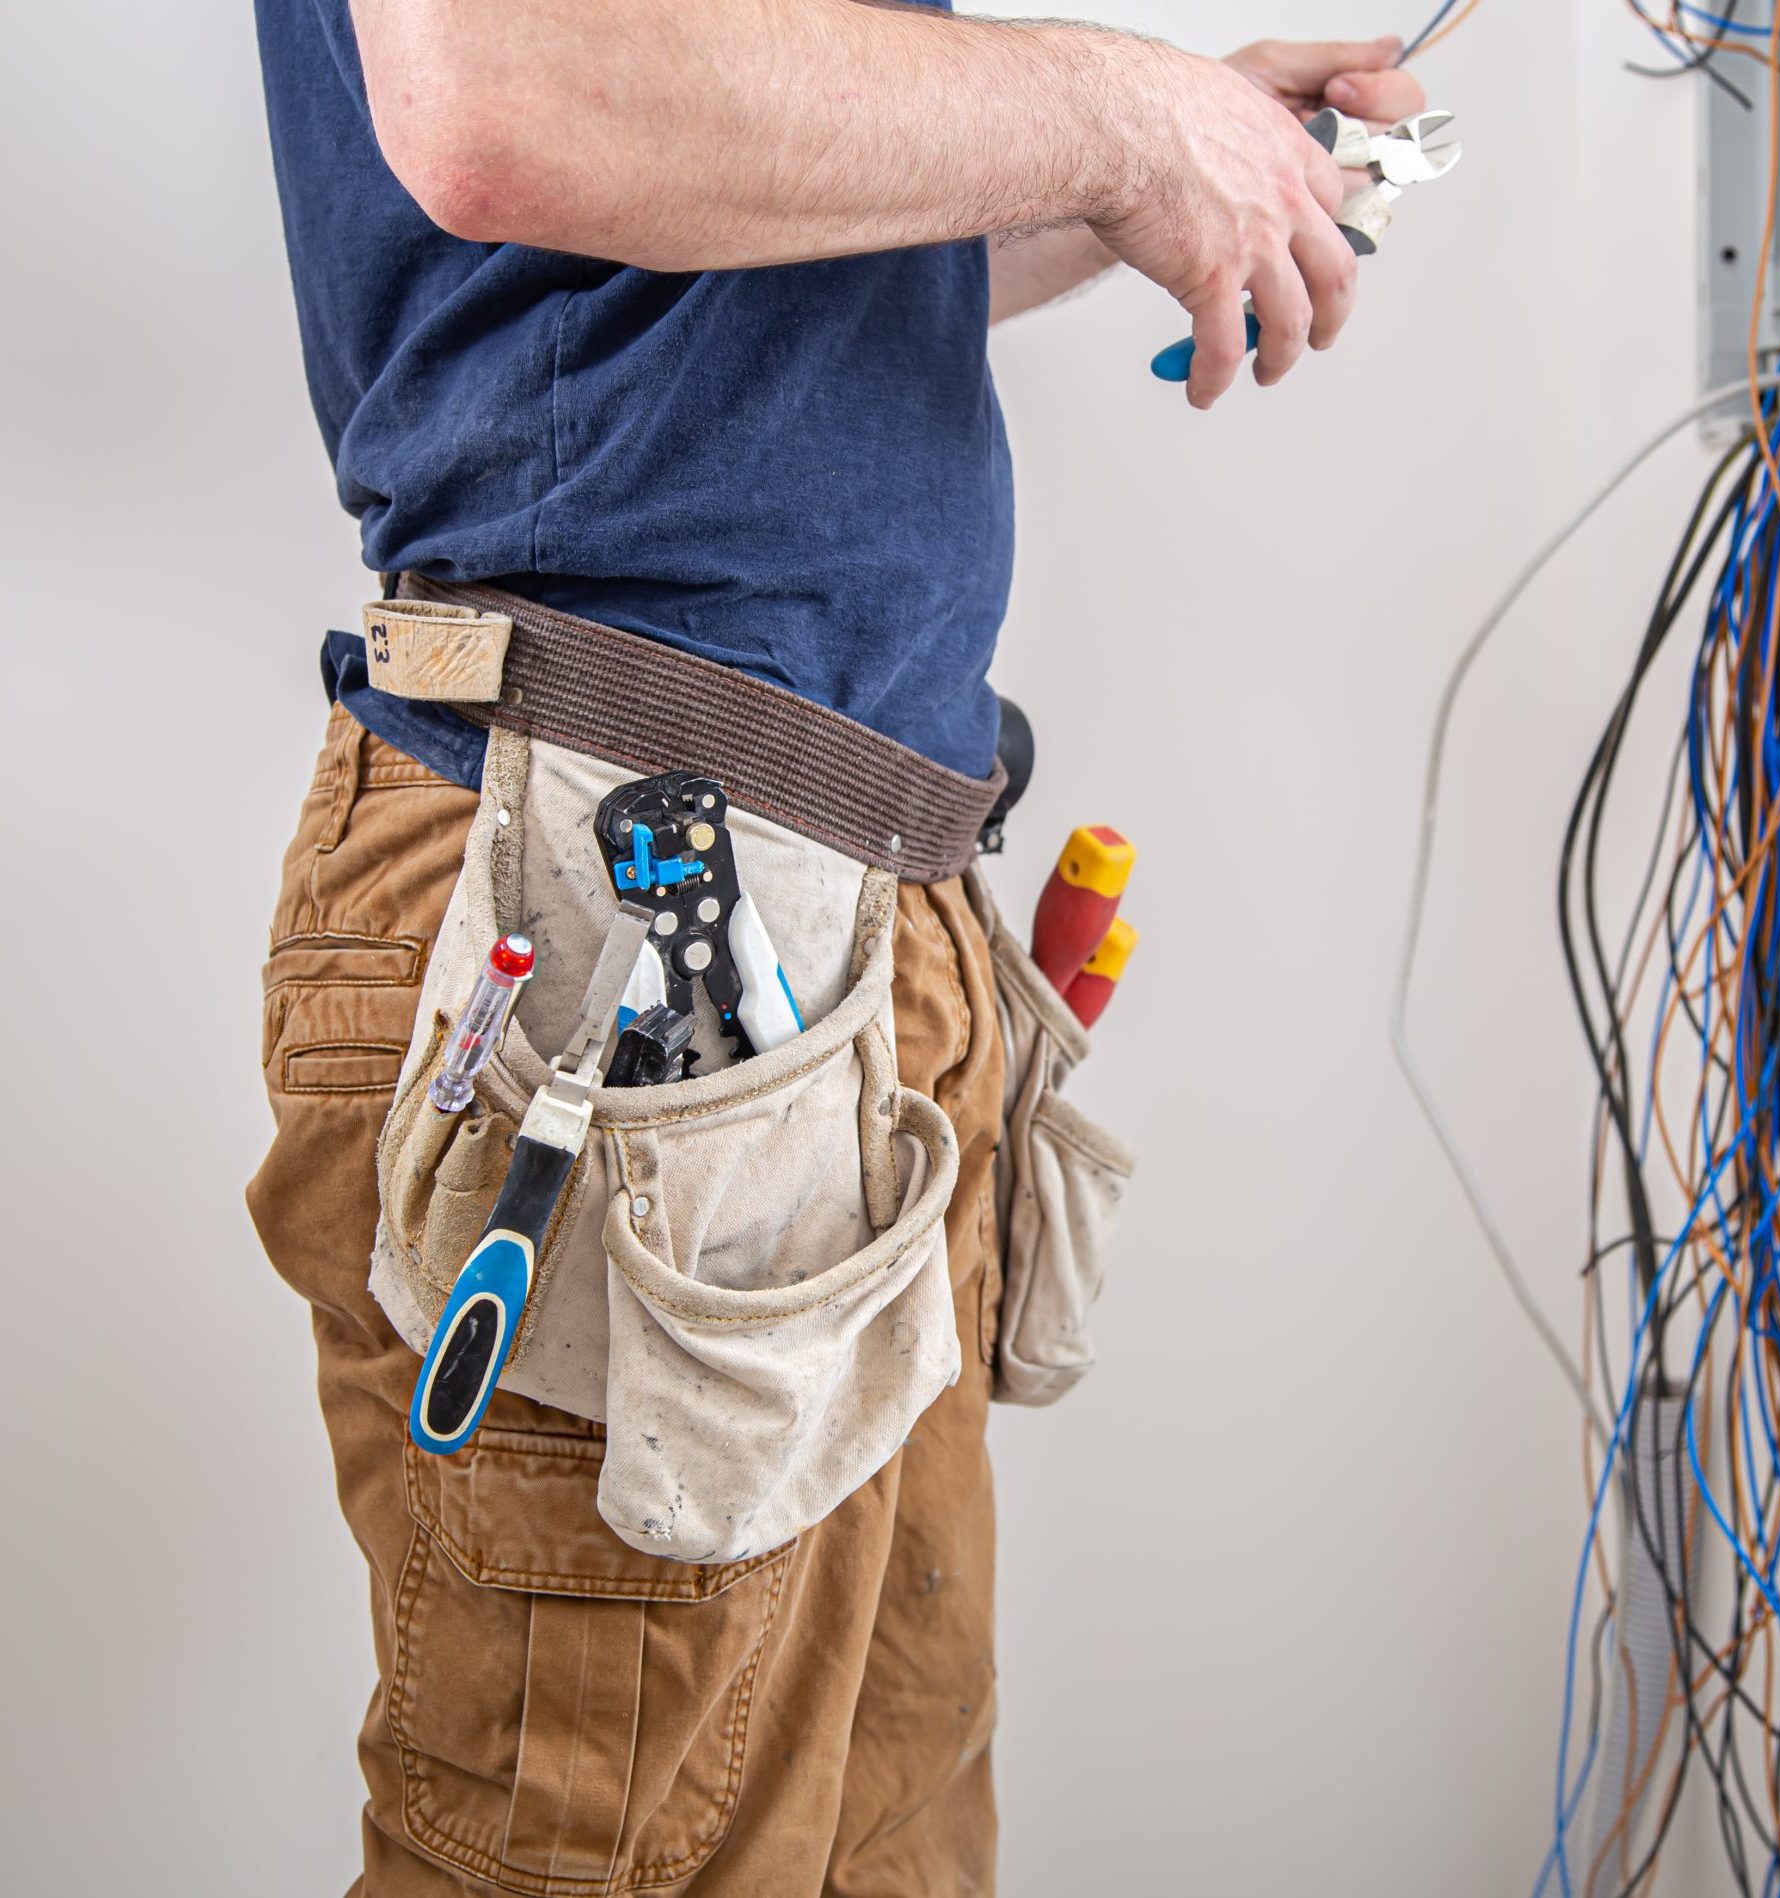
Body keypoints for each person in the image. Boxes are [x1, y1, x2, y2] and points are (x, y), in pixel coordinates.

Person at [247, 3, 1424, 1890]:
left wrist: (1194, 148)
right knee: (598, 1847)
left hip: (855, 927)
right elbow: (505, 100)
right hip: (597, 918)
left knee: (877, 1847)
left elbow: (767, 258)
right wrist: (1123, 121)